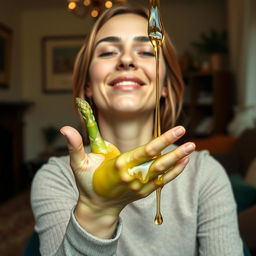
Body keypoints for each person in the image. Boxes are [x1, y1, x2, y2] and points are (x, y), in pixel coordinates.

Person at [31, 5, 243, 256]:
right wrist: (96, 211)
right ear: (88, 85)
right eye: (108, 51)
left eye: (145, 51)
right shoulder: (57, 177)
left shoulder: (205, 175)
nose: (127, 60)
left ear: (165, 85)